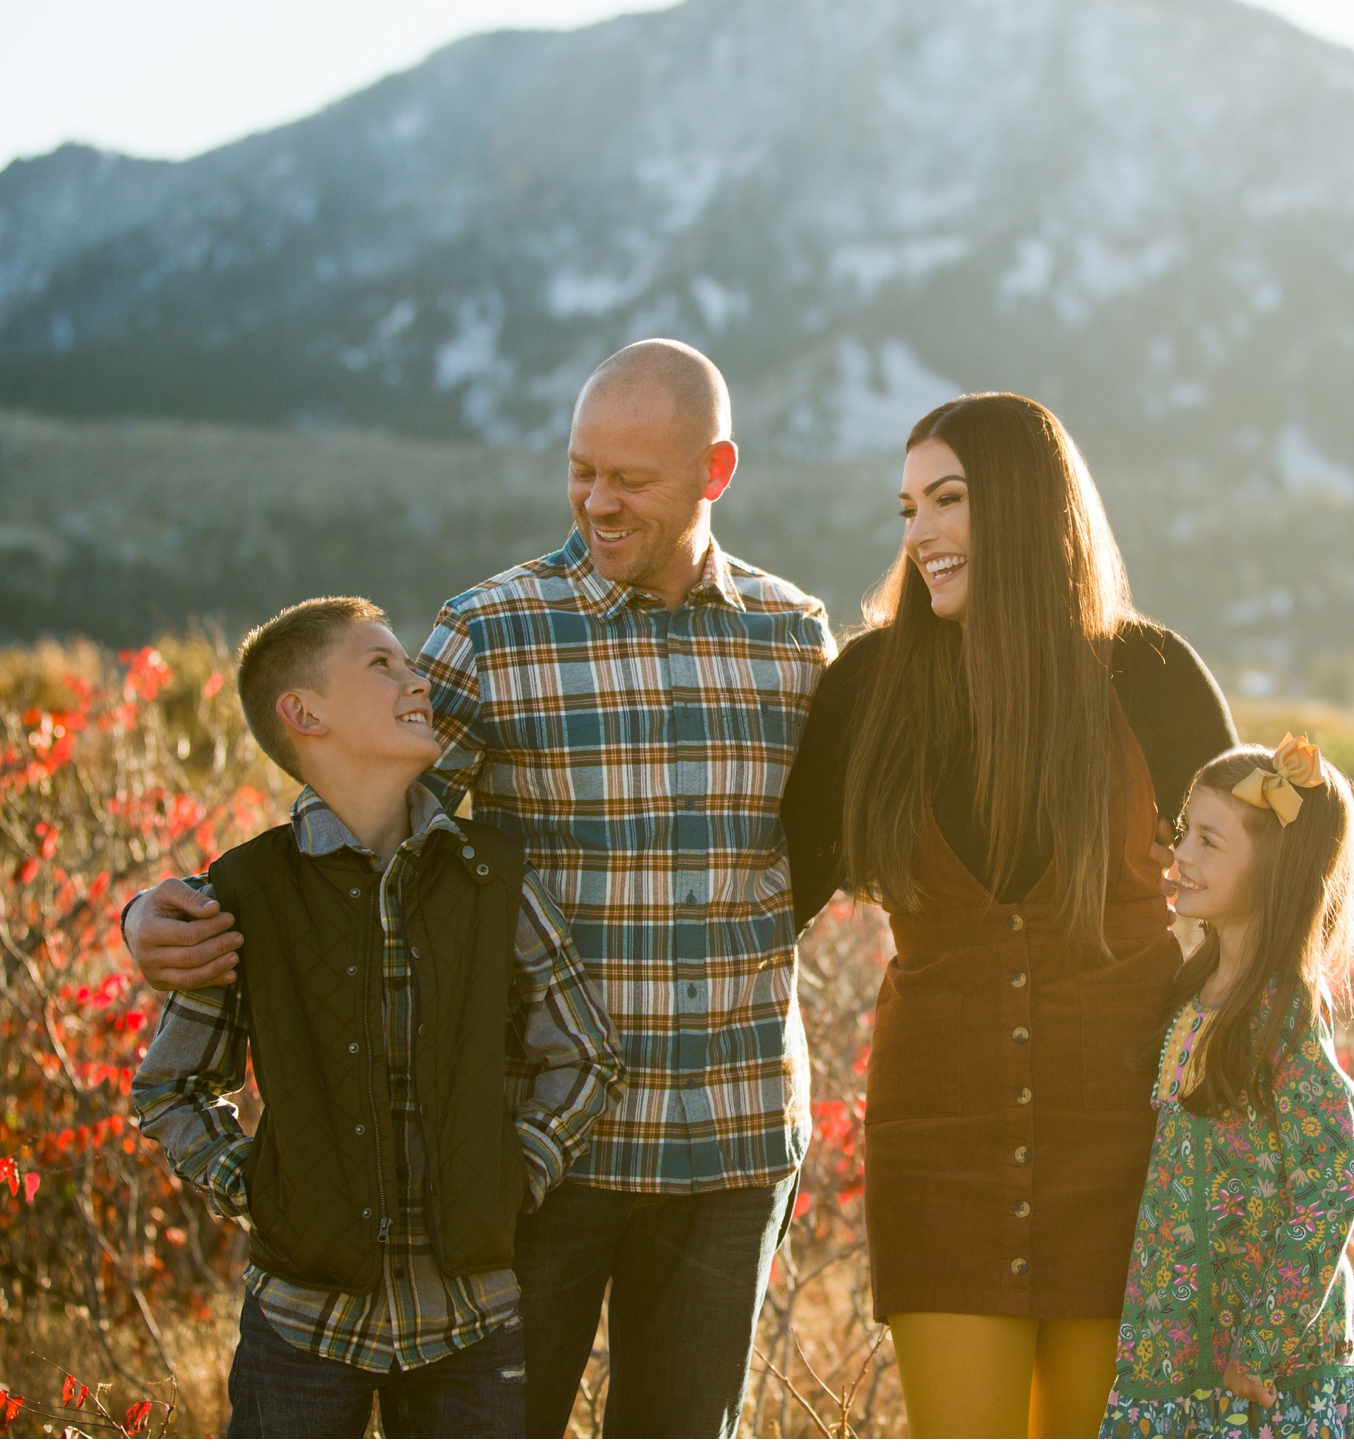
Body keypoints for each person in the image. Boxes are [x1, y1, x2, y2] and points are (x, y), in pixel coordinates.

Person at [121, 340, 836, 1436]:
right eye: (580, 468)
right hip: (539, 1161)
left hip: (734, 1141)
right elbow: (356, 829)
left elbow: (841, 845)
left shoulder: (792, 641)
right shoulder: (490, 633)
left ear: (714, 471)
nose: (596, 500)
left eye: (630, 479)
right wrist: (167, 907)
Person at [780, 392, 1238, 1437]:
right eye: (907, 510)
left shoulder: (1150, 674)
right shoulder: (866, 688)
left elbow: (1255, 897)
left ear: (1030, 506)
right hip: (937, 1144)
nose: (921, 534)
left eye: (949, 499)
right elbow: (769, 898)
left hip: (1129, 1144)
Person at [130, 596, 623, 1437]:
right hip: (300, 1324)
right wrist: (254, 1191)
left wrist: (519, 1171)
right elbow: (171, 1088)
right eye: (382, 664)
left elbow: (586, 1055)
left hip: (472, 1322)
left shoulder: (492, 876)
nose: (416, 679)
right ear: (304, 713)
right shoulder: (247, 893)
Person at [1099, 735, 1354, 1439]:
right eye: (1183, 834)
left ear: (1273, 866)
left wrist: (1264, 1340)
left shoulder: (1281, 1014)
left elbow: (1331, 1181)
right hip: (1172, 1347)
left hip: (1257, 1372)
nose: (1182, 856)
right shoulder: (1191, 990)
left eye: (1208, 841)